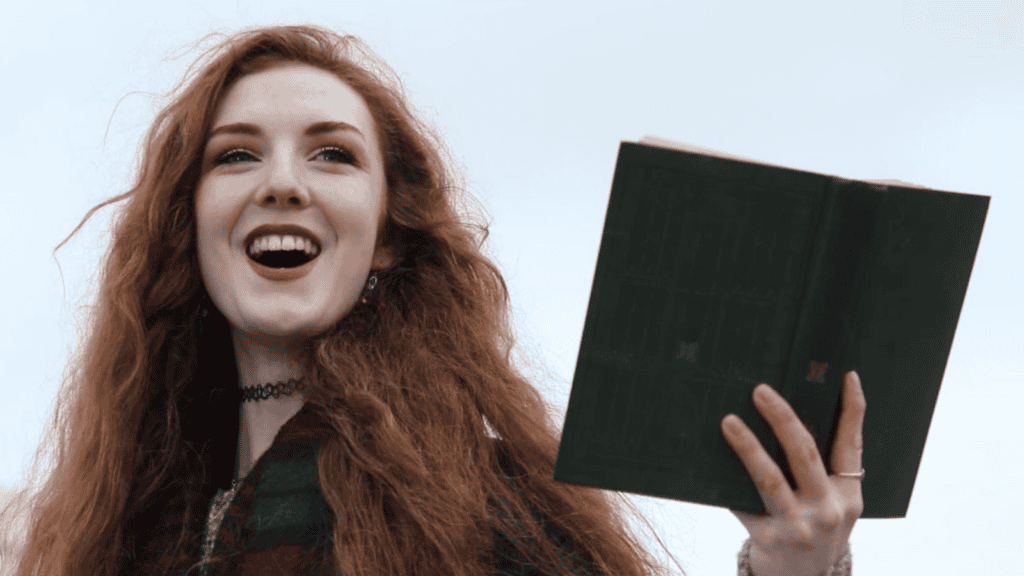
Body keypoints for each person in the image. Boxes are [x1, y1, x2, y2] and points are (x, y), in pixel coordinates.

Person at [0, 25, 864, 576]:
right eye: (235, 157)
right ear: (187, 229)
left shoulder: (485, 507)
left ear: (385, 237)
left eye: (334, 154)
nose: (284, 184)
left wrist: (793, 568)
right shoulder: (95, 525)